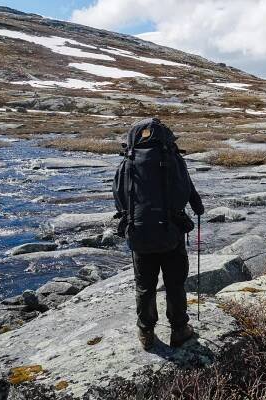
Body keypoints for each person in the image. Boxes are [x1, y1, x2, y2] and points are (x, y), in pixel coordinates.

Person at [112, 118, 204, 350]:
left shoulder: (128, 161)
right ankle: (179, 329)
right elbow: (185, 189)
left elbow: (119, 195)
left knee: (144, 285)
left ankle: (146, 332)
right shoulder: (172, 159)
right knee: (175, 284)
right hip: (170, 233)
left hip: (139, 234)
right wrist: (195, 207)